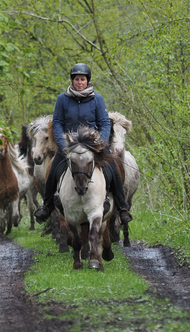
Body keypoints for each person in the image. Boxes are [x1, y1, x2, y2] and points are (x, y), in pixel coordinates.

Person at [34, 63, 133, 225]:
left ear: (87, 80)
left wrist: (100, 143)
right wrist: (62, 143)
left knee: (113, 167)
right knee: (52, 169)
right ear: (72, 80)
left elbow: (104, 123)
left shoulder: (97, 99)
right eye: (77, 79)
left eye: (83, 79)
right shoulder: (62, 99)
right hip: (69, 145)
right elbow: (57, 123)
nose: (80, 82)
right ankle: (47, 205)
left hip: (94, 145)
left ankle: (122, 207)